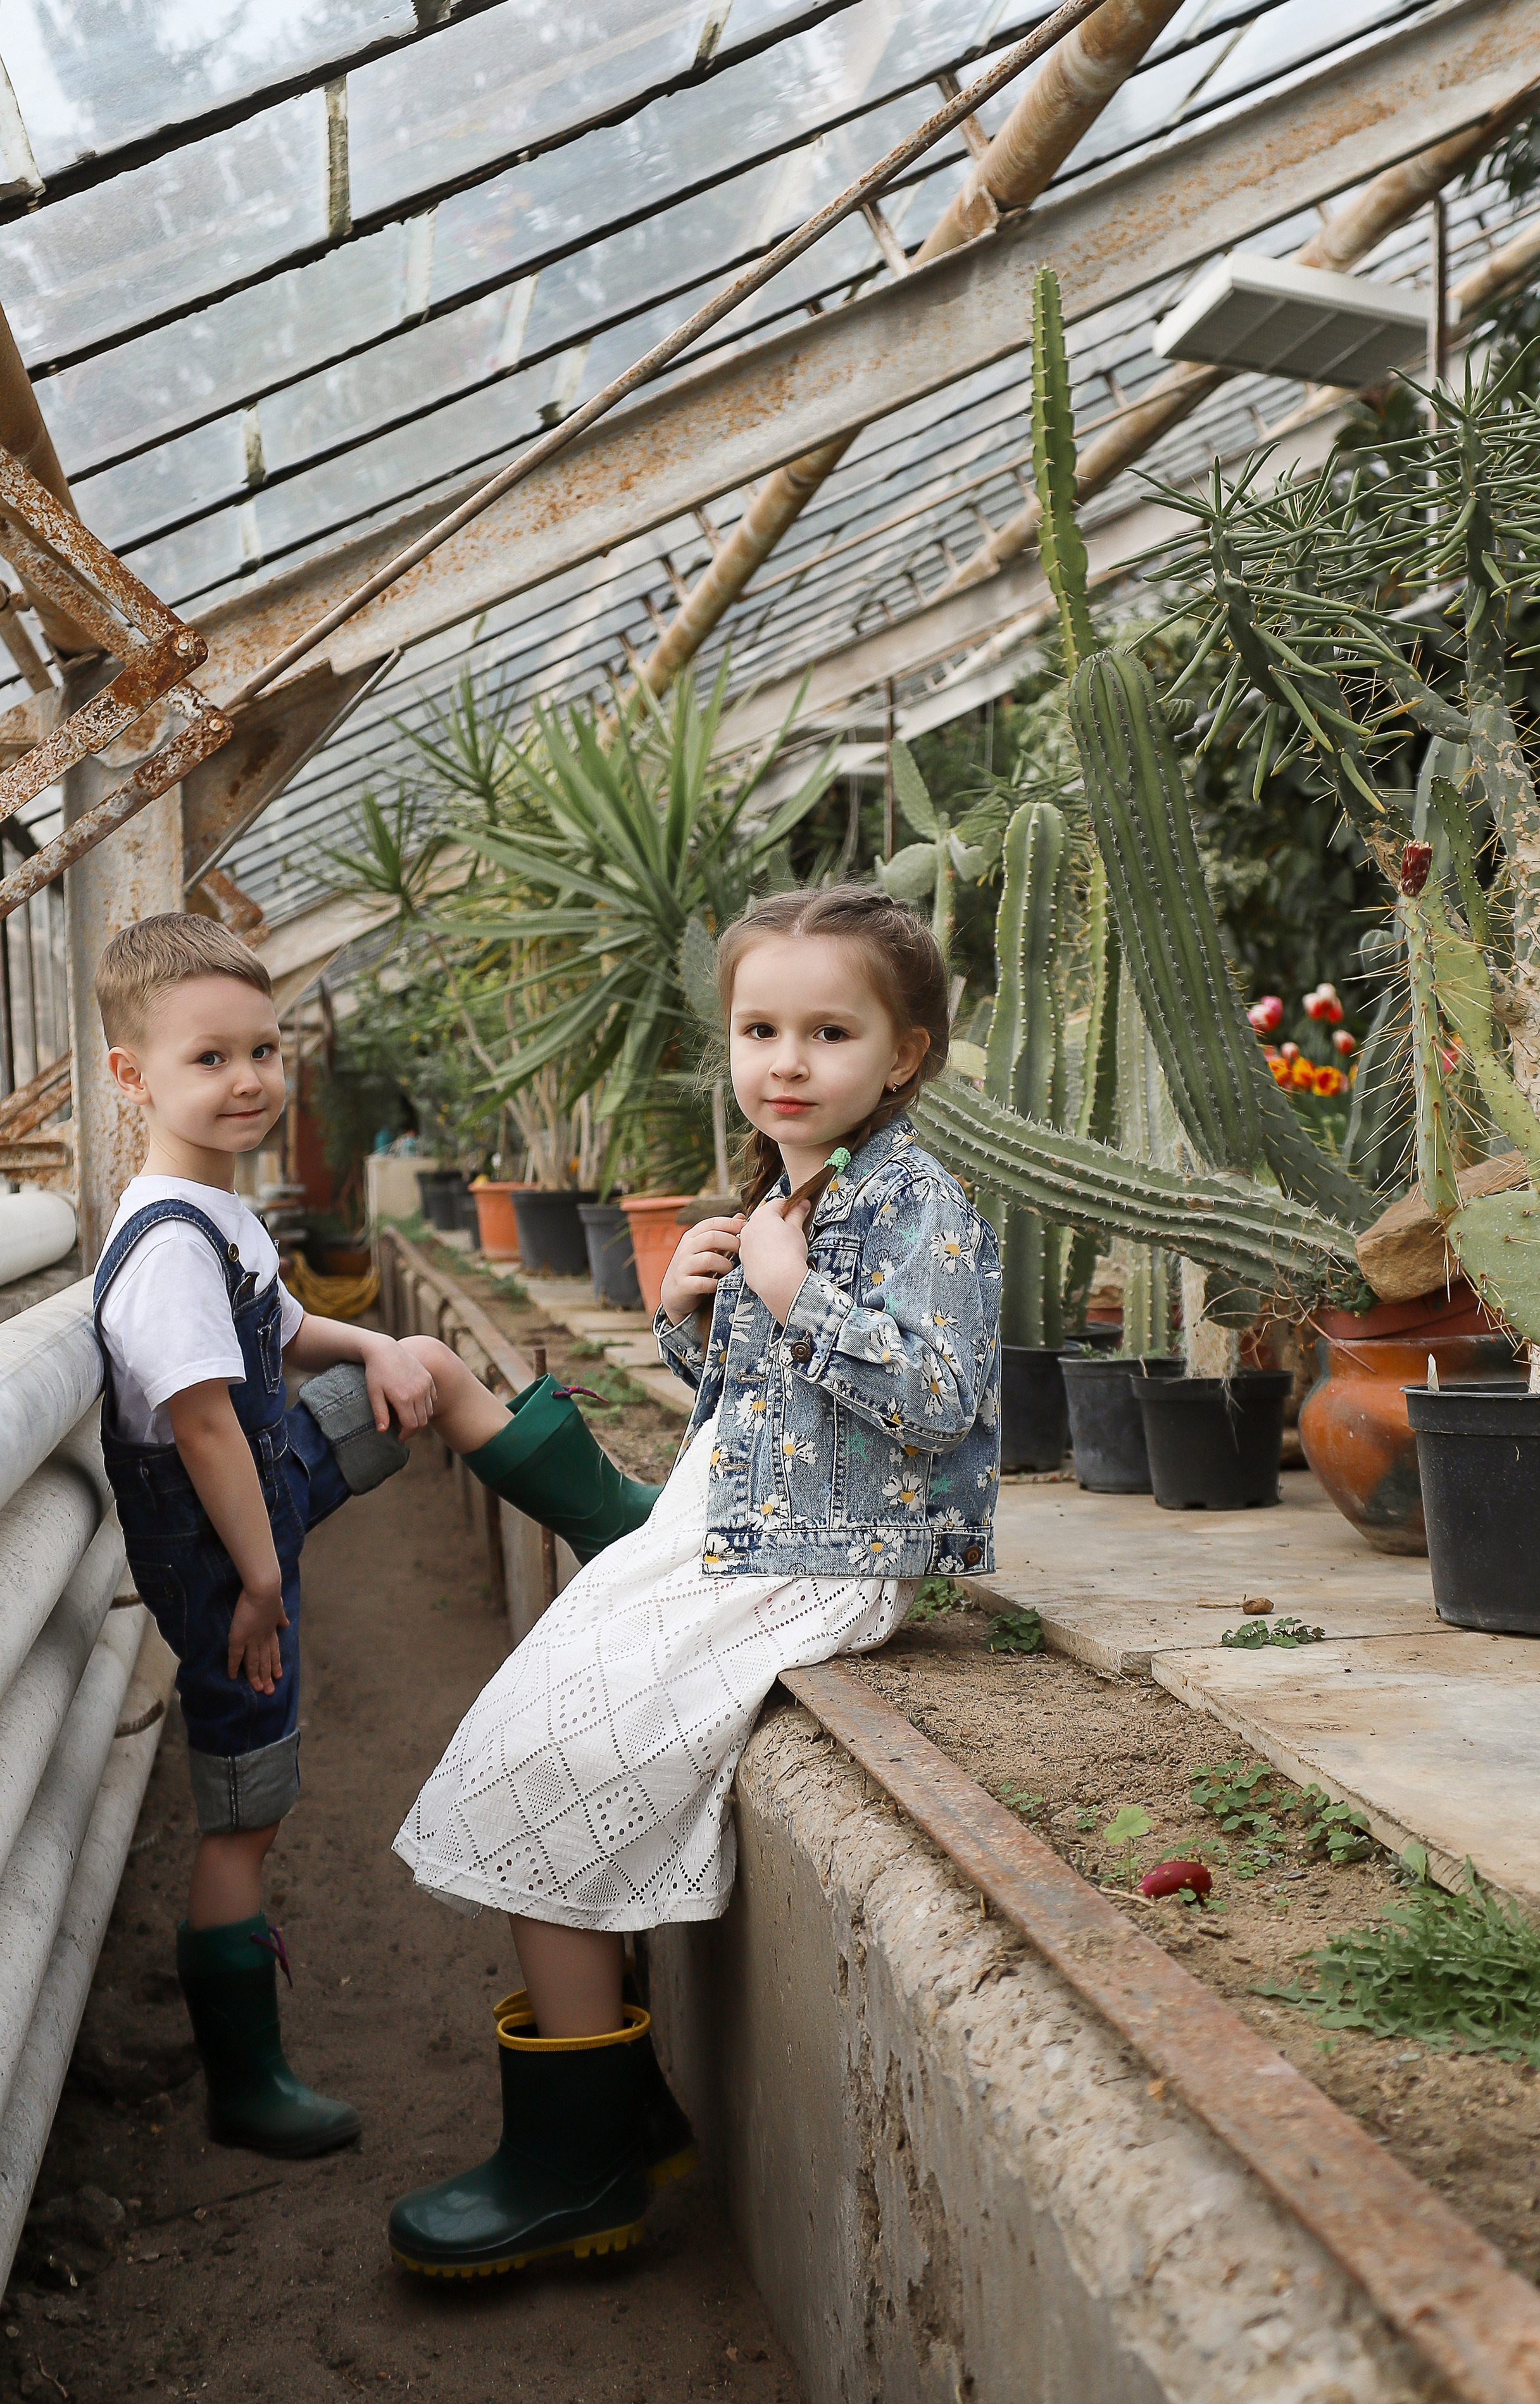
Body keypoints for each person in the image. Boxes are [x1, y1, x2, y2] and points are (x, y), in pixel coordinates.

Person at [388, 884, 1002, 2279]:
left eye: (828, 1032)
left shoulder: (919, 1204)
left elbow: (941, 1401)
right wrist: (690, 1315)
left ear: (902, 1056)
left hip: (810, 1561)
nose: (784, 1062)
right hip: (725, 1526)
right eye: (758, 1028)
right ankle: (606, 2111)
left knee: (559, 1754)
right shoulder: (793, 1190)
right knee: (534, 1737)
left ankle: (582, 2158)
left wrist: (795, 1293)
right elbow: (763, 1402)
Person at [92, 914, 660, 2160]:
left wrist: (380, 1347)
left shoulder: (219, 1214)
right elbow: (203, 1435)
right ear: (134, 1078)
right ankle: (245, 2084)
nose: (247, 1081)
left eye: (263, 1050)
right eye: (209, 1060)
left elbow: (292, 1334)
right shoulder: (165, 1249)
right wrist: (256, 1589)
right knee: (246, 1810)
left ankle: (614, 1526)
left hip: (265, 1501)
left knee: (432, 1368)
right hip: (222, 1552)